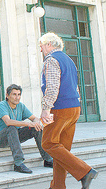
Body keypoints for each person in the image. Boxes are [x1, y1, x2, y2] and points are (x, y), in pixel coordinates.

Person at [39, 32, 98, 189]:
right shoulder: (69, 60)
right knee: (62, 151)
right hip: (74, 108)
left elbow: (52, 88)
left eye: (41, 46)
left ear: (49, 45)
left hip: (59, 108)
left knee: (48, 143)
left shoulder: (51, 60)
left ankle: (85, 171)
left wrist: (46, 109)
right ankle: (57, 186)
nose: (41, 50)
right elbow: (75, 86)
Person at [0, 84, 53, 174]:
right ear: (7, 95)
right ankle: (18, 163)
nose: (17, 97)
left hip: (14, 136)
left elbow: (34, 118)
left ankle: (48, 160)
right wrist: (28, 124)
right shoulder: (1, 105)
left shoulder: (21, 106)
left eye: (19, 95)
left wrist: (41, 121)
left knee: (35, 128)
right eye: (14, 94)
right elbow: (8, 122)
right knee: (11, 127)